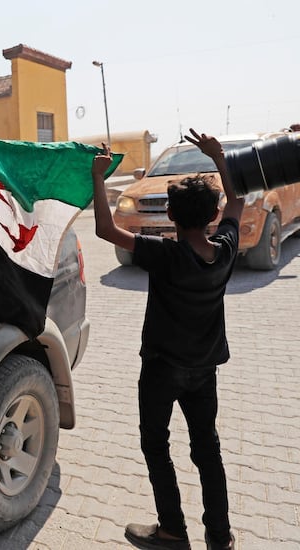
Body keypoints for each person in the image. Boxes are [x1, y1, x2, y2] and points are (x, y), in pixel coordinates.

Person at [91, 129, 238, 550]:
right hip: (204, 370)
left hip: (161, 369)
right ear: (212, 216)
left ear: (171, 216)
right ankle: (220, 538)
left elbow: (104, 228)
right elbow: (238, 201)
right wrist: (218, 157)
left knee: (156, 444)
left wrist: (97, 177)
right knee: (207, 449)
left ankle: (172, 530)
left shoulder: (165, 254)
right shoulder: (225, 251)